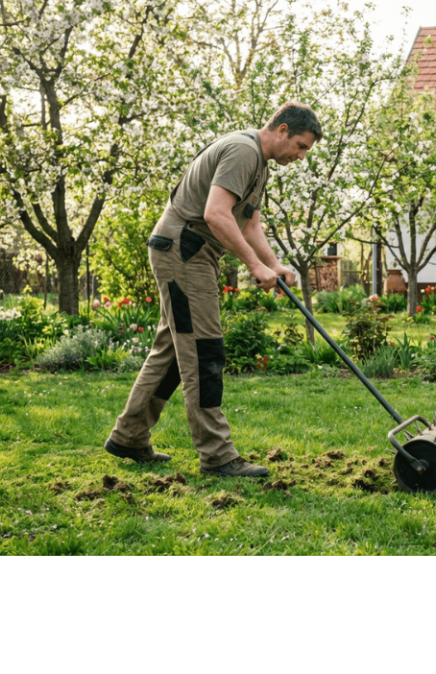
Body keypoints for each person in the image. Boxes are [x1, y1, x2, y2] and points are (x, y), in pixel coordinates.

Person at [104, 101, 322, 477]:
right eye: (301, 146)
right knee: (203, 351)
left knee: (172, 351)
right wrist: (254, 266)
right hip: (184, 251)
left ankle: (129, 436)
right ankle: (218, 456)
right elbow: (215, 213)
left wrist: (273, 265)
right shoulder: (242, 151)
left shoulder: (259, 164)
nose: (301, 157)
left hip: (189, 252)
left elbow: (250, 225)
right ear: (282, 129)